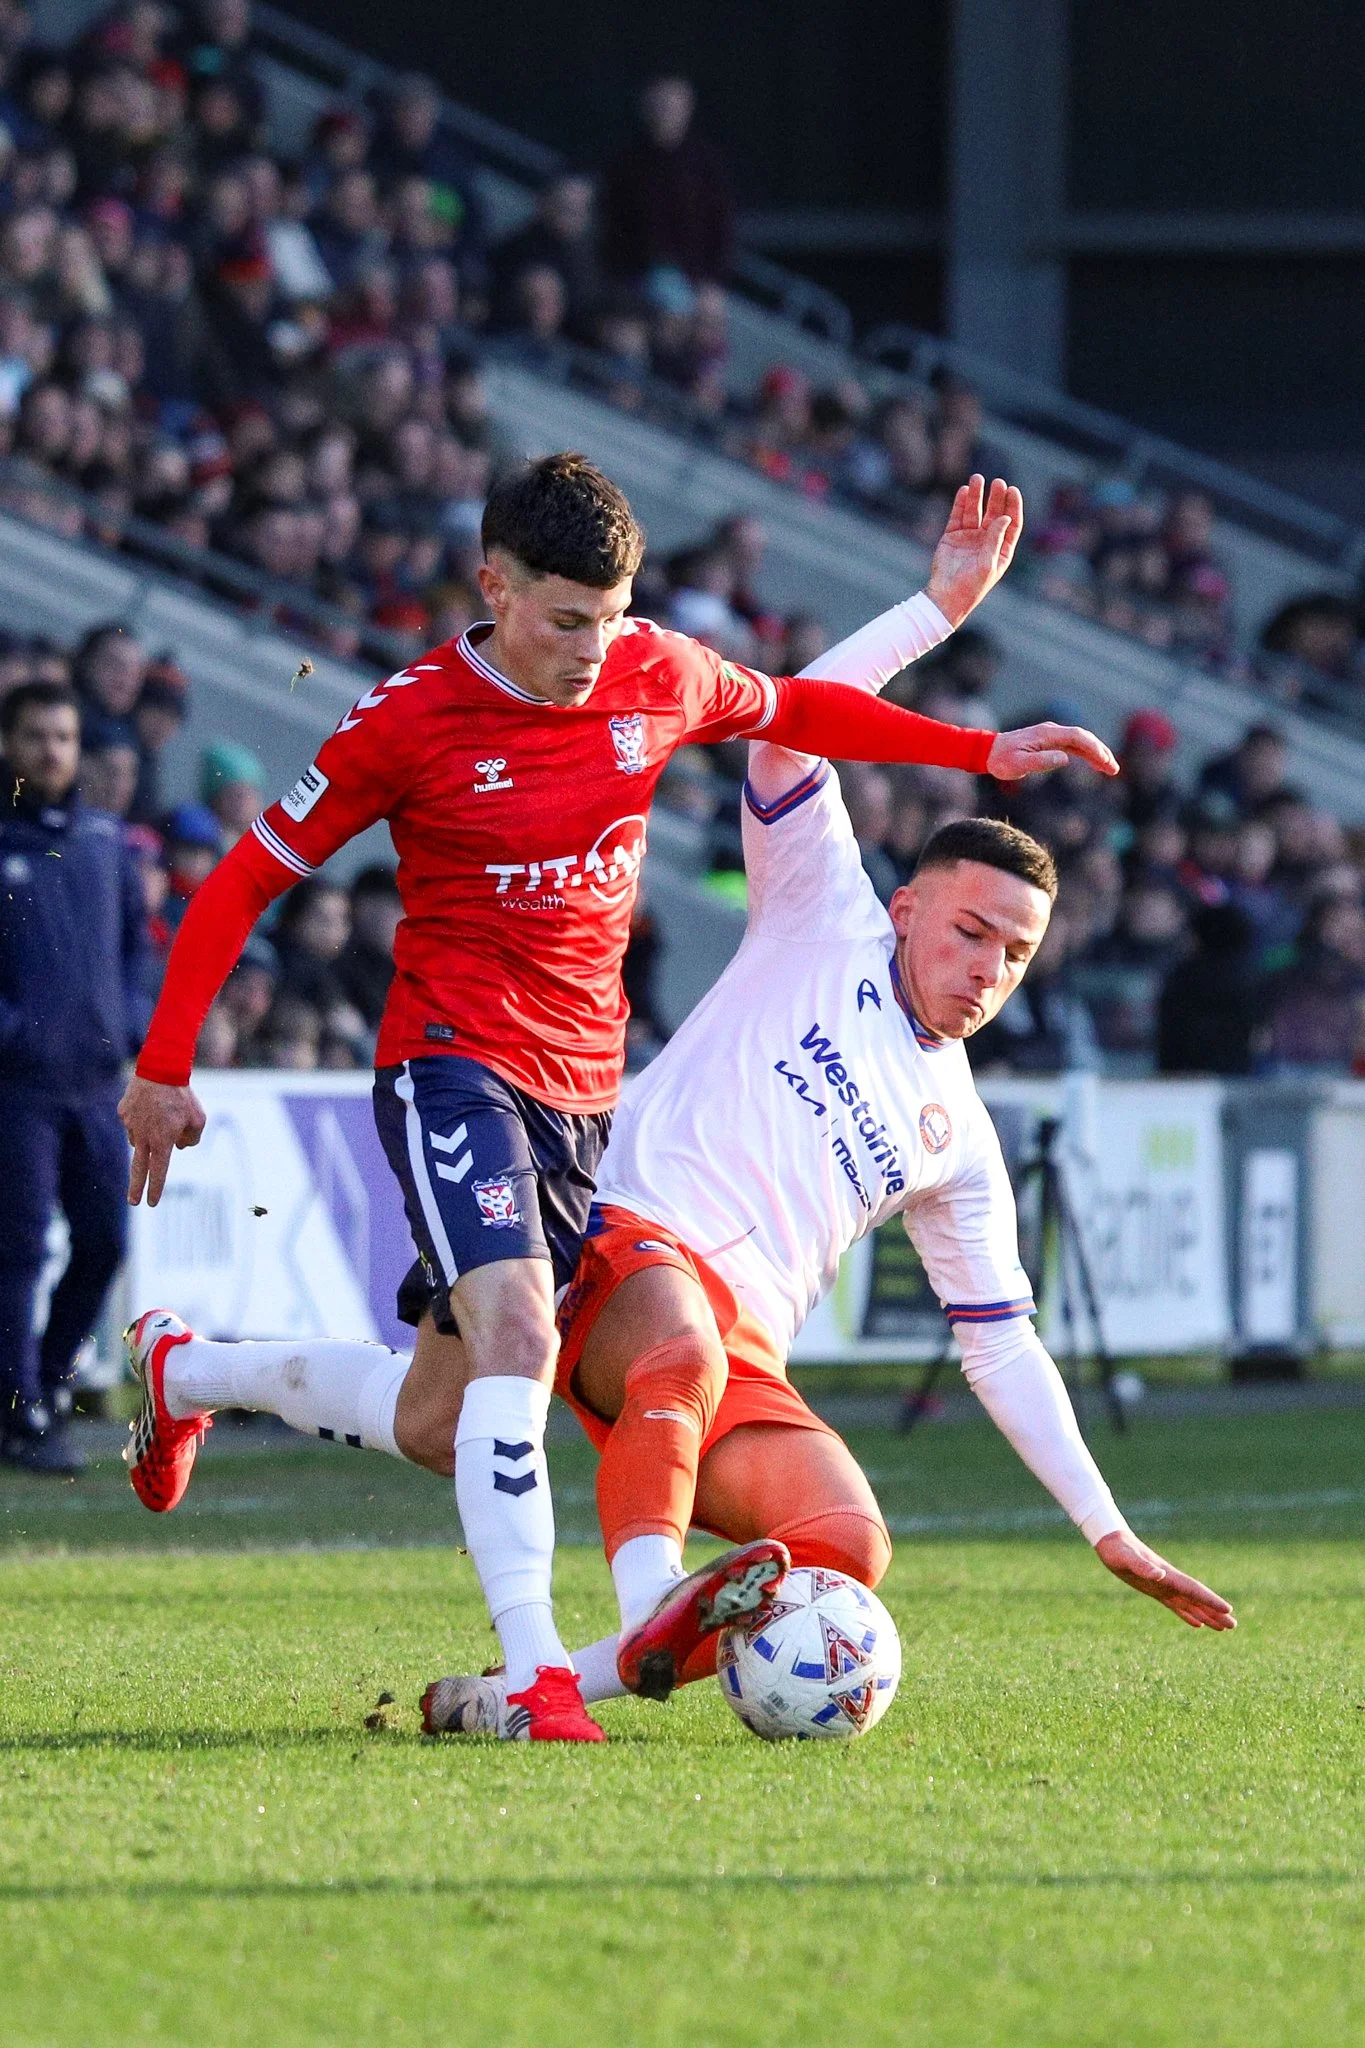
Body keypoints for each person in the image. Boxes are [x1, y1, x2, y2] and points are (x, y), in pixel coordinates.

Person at [118, 461, 1113, 1742]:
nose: (594, 651)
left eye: (612, 614)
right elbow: (243, 880)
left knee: (440, 1417)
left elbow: (801, 708)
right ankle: (538, 1678)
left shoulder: (655, 670)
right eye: (565, 619)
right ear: (495, 587)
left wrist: (976, 746)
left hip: (582, 1098)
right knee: (525, 1341)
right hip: (449, 1064)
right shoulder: (408, 720)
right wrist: (164, 1064)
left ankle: (182, 1368)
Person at [0, 682, 149, 1471]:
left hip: (96, 1087)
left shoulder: (104, 842)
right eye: (35, 736)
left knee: (103, 1243)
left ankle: (44, 1392)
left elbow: (135, 949)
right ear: (9, 745)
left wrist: (129, 1021)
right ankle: (20, 1415)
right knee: (18, 1252)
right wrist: (15, 1032)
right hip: (17, 1090)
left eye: (62, 736)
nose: (51, 750)